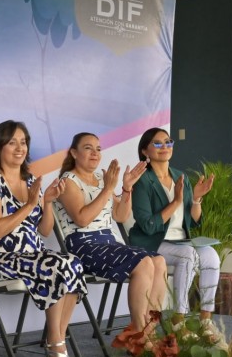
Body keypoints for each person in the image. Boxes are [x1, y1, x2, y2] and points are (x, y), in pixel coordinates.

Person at [0, 120, 88, 357]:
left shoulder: (30, 182)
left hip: (33, 256)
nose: (19, 148)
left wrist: (46, 203)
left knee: (73, 262)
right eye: (12, 142)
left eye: (23, 142)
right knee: (54, 265)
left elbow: (44, 231)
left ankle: (56, 338)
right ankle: (56, 344)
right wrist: (28, 205)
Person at [54, 132, 167, 335]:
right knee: (144, 262)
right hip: (83, 247)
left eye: (98, 149)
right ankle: (138, 334)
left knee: (159, 262)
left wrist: (127, 188)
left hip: (109, 244)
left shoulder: (101, 178)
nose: (95, 153)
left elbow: (121, 216)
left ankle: (149, 332)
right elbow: (82, 219)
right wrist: (107, 189)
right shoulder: (68, 181)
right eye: (88, 148)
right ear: (74, 153)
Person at [128, 127, 219, 337]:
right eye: (157, 143)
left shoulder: (180, 176)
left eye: (168, 142)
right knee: (187, 255)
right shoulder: (142, 180)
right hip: (152, 241)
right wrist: (176, 201)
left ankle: (206, 320)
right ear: (145, 151)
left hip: (181, 241)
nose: (165, 147)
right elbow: (148, 225)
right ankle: (179, 319)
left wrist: (196, 199)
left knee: (211, 256)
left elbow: (193, 221)